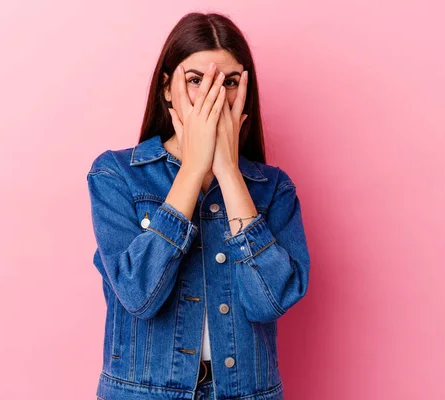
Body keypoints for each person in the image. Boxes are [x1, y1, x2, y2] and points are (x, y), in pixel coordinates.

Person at [86, 11, 310, 400]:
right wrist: (193, 169)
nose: (214, 96)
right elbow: (139, 296)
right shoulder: (116, 175)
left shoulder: (274, 188)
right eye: (195, 80)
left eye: (230, 82)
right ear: (167, 88)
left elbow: (269, 301)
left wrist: (228, 172)